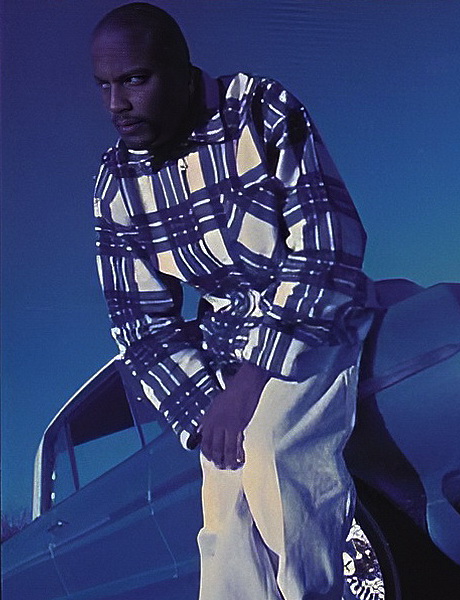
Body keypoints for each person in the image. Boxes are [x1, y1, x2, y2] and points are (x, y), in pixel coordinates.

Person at [91, 3, 374, 599]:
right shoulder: (117, 183)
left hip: (312, 320)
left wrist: (247, 389)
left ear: (180, 67)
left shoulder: (259, 111)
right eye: (104, 86)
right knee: (224, 526)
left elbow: (328, 243)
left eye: (134, 80)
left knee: (273, 456)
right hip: (221, 353)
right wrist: (209, 411)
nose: (116, 104)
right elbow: (138, 321)